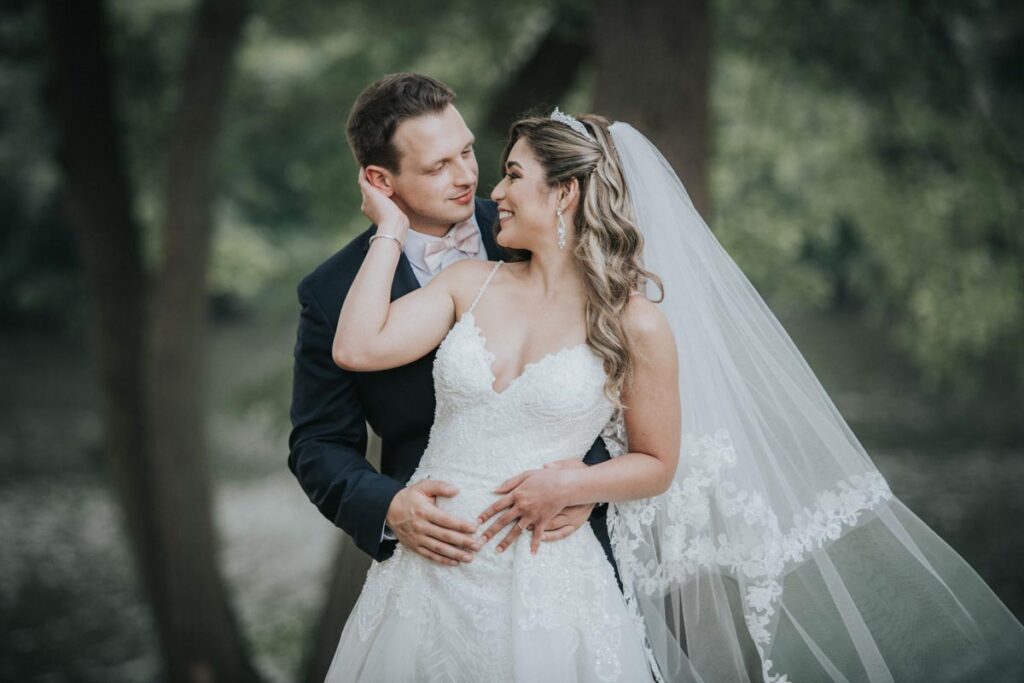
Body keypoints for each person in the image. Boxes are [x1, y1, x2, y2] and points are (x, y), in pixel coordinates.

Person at [324, 105, 1024, 681]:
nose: (494, 192)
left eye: (511, 175)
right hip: (426, 578)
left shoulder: (634, 322)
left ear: (565, 193)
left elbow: (658, 461)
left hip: (543, 575)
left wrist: (579, 479)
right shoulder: (466, 284)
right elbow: (355, 348)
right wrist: (388, 231)